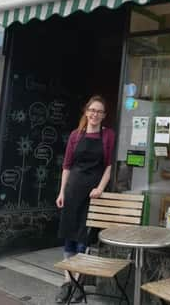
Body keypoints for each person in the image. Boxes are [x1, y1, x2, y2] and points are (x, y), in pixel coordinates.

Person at [55, 95, 114, 303]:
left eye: (99, 111)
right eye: (92, 110)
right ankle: (68, 282)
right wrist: (62, 192)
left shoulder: (107, 136)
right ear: (86, 112)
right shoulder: (75, 135)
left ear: (104, 116)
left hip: (92, 195)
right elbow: (67, 166)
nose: (95, 114)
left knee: (83, 240)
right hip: (72, 191)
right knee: (69, 238)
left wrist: (100, 188)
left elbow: (108, 166)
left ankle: (78, 283)